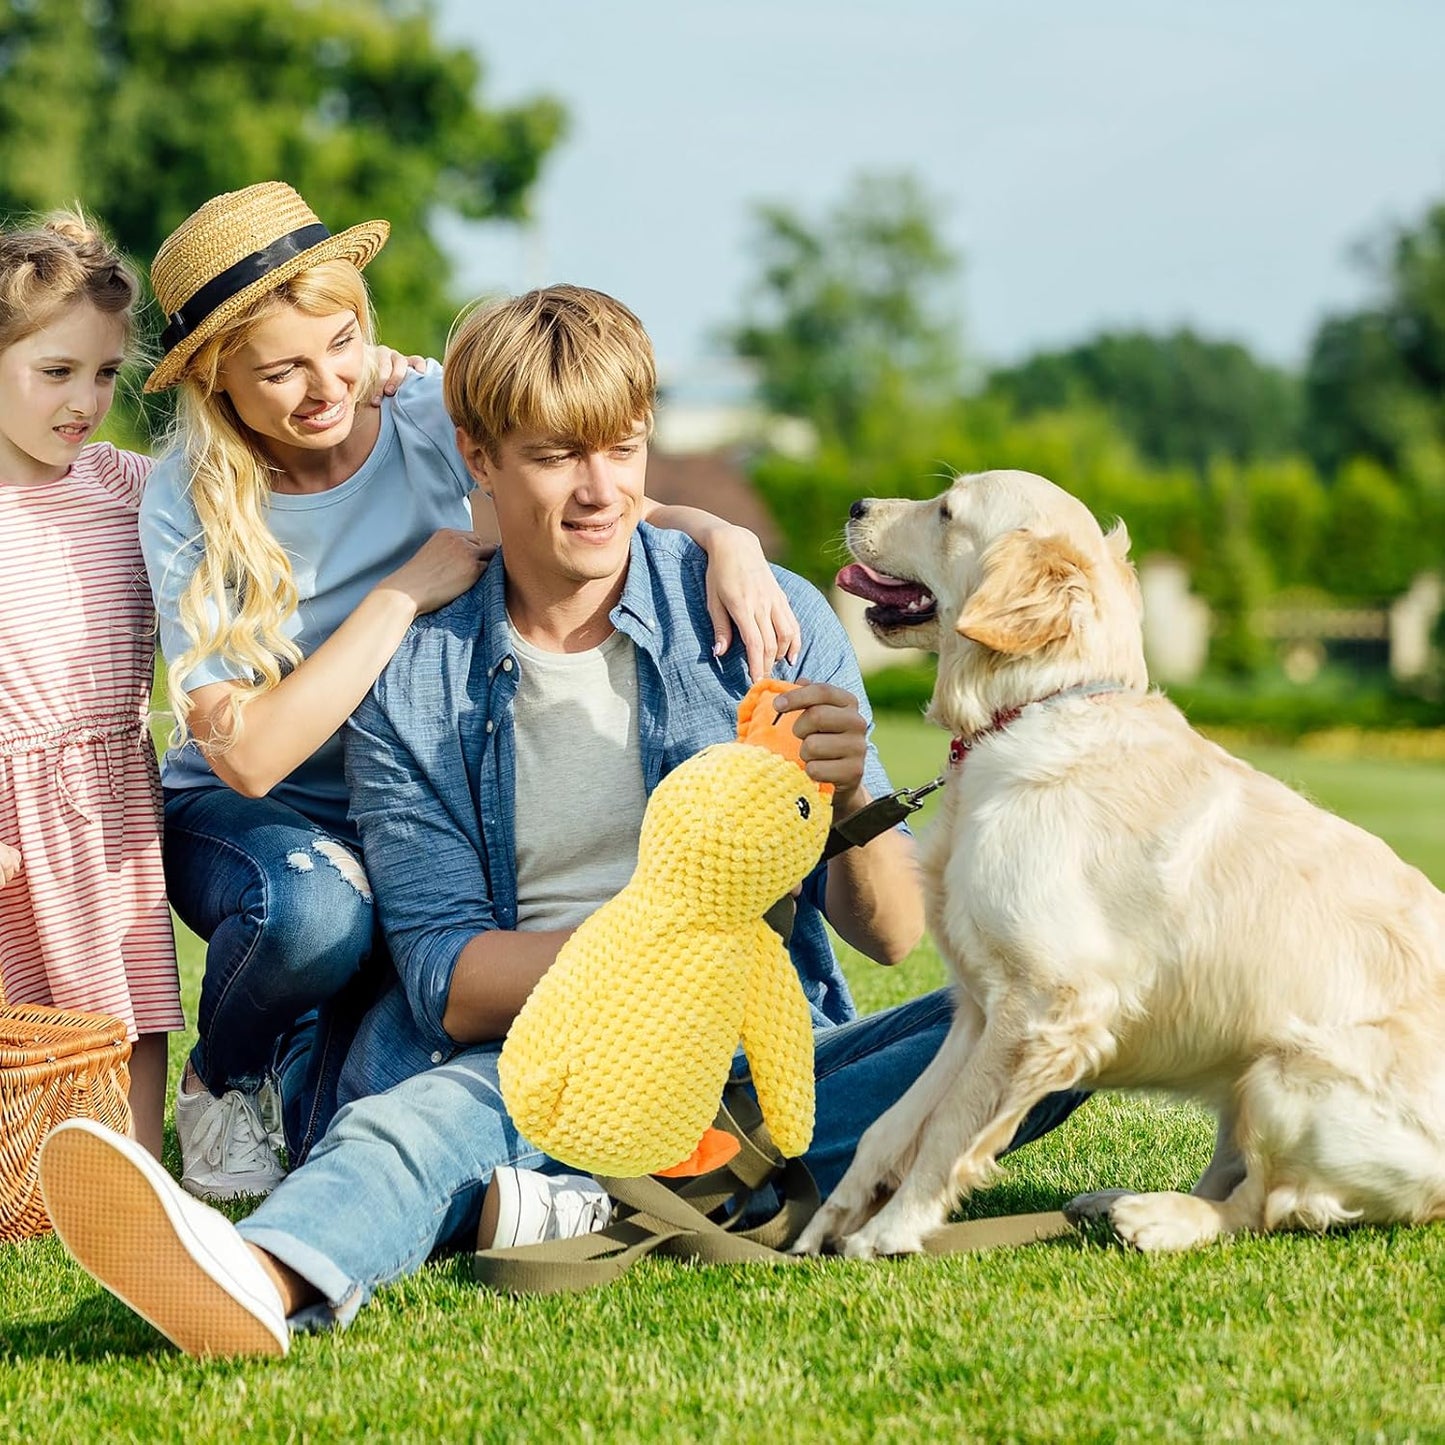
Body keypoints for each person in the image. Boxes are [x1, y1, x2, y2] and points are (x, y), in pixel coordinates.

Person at [39, 284, 1086, 1358]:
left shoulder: (757, 617)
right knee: (417, 1122)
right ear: (474, 459)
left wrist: (853, 798)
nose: (599, 493)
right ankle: (261, 1272)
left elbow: (893, 935)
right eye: (553, 457)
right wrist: (660, 953)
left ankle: (589, 1194)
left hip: (755, 1058)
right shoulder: (413, 674)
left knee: (1038, 1025)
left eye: (621, 450)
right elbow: (445, 977)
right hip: (531, 1053)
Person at [135, 183, 804, 1201]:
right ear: (218, 378)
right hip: (257, 820)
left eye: (342, 343)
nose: (325, 386)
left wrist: (723, 535)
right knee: (316, 911)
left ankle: (348, 1086)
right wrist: (409, 588)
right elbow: (249, 756)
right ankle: (223, 1075)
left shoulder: (417, 408)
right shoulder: (188, 494)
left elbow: (579, 484)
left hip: (416, 799)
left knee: (356, 1095)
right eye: (282, 369)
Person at [0, 211, 184, 1159]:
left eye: (106, 374)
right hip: (8, 802)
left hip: (110, 795)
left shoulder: (121, 483)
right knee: (23, 1003)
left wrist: (386, 390)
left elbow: (246, 490)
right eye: (56, 372)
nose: (85, 402)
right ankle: (33, 1162)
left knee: (134, 989)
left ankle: (140, 1160)